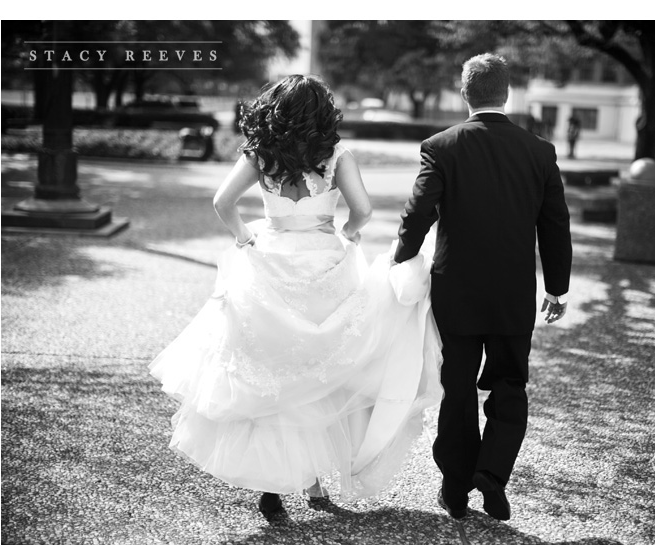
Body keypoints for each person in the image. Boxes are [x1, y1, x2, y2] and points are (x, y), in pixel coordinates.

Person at [149, 75, 442, 520]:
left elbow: (222, 203)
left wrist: (245, 239)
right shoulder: (337, 154)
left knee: (273, 374)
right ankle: (315, 487)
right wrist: (345, 234)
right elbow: (362, 210)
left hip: (272, 261)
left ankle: (274, 488)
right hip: (325, 264)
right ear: (323, 113)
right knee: (322, 374)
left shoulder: (259, 153)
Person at [393, 53, 572, 521]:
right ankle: (491, 476)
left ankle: (455, 490)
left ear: (464, 93)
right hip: (513, 293)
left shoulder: (442, 146)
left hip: (457, 291)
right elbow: (555, 225)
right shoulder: (539, 151)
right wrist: (556, 288)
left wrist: (400, 260)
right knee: (510, 384)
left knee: (457, 388)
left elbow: (418, 213)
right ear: (506, 93)